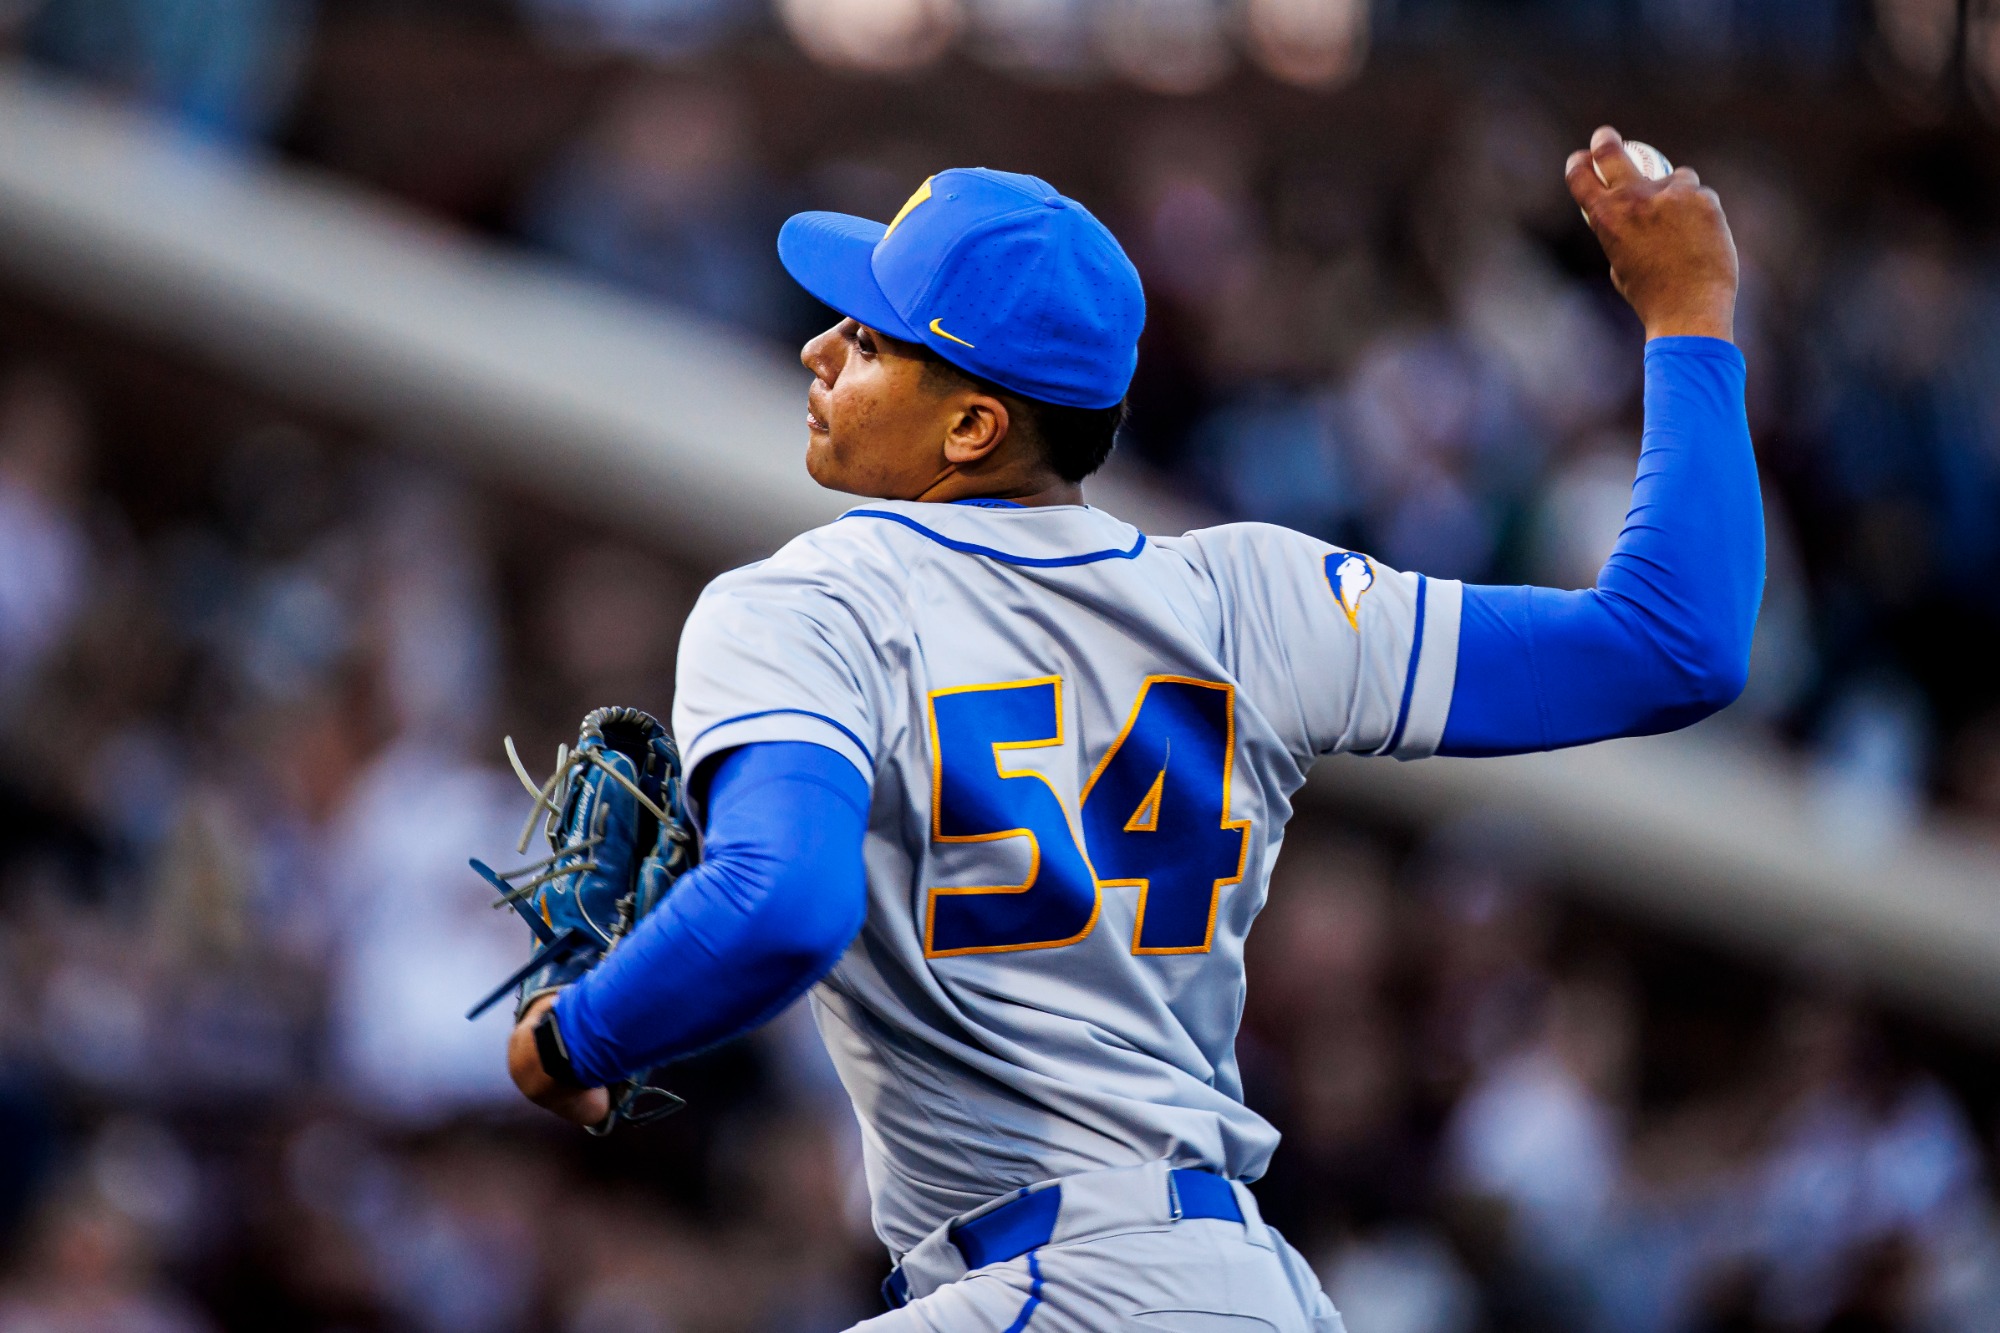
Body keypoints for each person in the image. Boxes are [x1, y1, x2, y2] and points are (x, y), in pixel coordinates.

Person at [502, 127, 1761, 1331]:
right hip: (1244, 1287)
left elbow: (783, 900)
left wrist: (579, 1034)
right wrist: (1689, 318)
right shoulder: (1252, 597)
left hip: (1048, 1288)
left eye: (868, 338)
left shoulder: (812, 600)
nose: (816, 350)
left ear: (972, 427)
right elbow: (1670, 644)